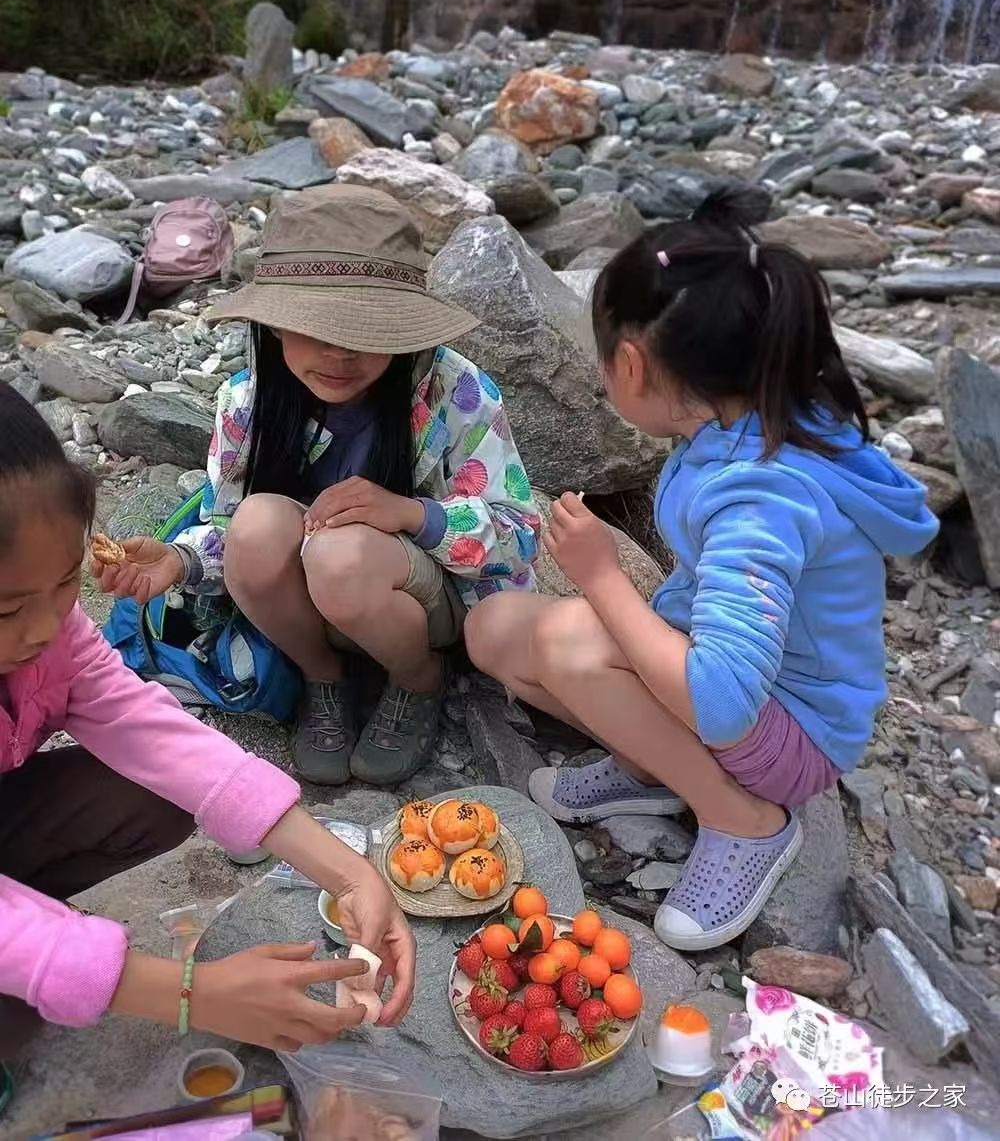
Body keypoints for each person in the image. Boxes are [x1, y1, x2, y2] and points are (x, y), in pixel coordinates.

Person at [466, 191, 938, 952]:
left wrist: (601, 577)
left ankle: (743, 820)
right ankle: (649, 765)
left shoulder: (763, 493)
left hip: (792, 729)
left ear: (630, 362)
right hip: (741, 678)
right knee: (493, 630)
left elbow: (721, 701)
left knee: (569, 643)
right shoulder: (744, 411)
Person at [0, 381, 416, 1082]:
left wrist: (348, 871)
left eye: (66, 586)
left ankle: (43, 931)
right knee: (18, 1012)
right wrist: (195, 994)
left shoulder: (53, 633)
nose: (46, 628)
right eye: (8, 609)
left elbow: (144, 724)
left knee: (150, 789)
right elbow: (183, 994)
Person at [95, 184, 539, 787]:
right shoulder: (247, 403)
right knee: (256, 524)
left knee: (340, 550)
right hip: (308, 610)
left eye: (365, 328)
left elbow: (518, 537)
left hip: (414, 604)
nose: (339, 353)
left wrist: (411, 514)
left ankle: (417, 679)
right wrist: (179, 560)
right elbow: (232, 531)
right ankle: (321, 678)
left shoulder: (455, 394)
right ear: (273, 326)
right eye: (314, 326)